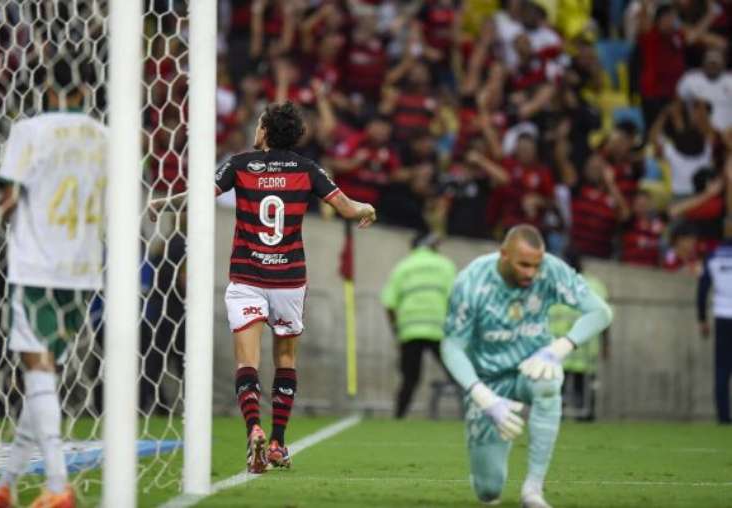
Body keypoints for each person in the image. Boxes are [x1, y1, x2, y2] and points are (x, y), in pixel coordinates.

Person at [150, 101, 376, 473]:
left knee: (247, 361)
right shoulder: (308, 169)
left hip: (247, 277)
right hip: (288, 279)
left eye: (259, 124)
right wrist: (366, 208)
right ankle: (277, 443)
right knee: (285, 360)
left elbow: (198, 196)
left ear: (266, 131)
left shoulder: (240, 164)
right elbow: (348, 209)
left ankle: (253, 427)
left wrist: (162, 204)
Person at [0, 59, 107, 508]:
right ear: (84, 90)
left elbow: (8, 198)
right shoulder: (104, 137)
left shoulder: (31, 129)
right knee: (42, 378)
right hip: (83, 268)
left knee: (37, 371)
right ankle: (6, 485)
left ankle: (59, 485)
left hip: (37, 264)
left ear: (45, 88)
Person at [441, 224, 613, 508]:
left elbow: (601, 312)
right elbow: (451, 346)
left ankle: (533, 490)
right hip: (489, 382)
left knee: (548, 384)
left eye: (536, 265)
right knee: (489, 490)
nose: (531, 273)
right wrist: (482, 396)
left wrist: (560, 348)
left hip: (532, 367)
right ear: (503, 254)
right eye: (523, 265)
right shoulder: (471, 281)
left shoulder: (551, 269)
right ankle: (489, 461)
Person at [380, 232, 457, 418]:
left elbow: (389, 303)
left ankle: (399, 417)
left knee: (410, 378)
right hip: (439, 329)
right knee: (458, 373)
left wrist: (397, 331)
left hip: (410, 329)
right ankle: (473, 412)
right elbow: (456, 298)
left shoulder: (403, 266)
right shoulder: (446, 265)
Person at [548, 250, 610, 421]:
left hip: (565, 350)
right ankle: (583, 417)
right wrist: (606, 344)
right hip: (578, 350)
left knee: (572, 391)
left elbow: (604, 317)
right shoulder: (594, 285)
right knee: (580, 391)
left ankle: (578, 416)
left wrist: (606, 344)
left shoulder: (556, 283)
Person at [697, 160, 732, 424]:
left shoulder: (712, 256)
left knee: (722, 369)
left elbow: (702, 290)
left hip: (721, 315)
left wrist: (701, 319)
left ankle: (723, 417)